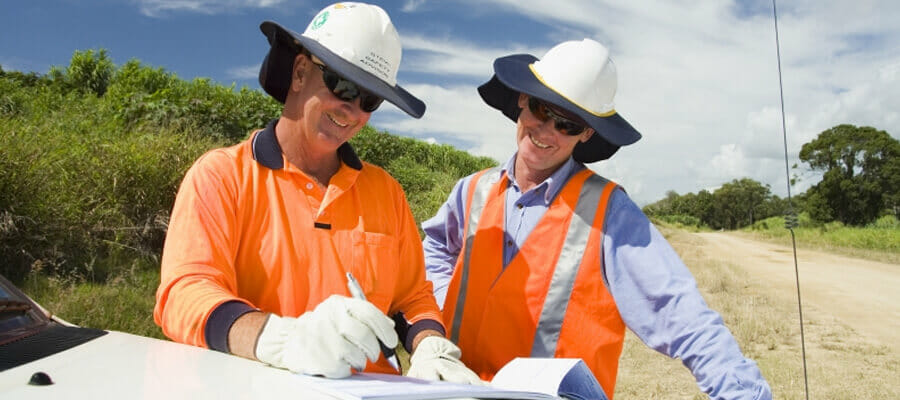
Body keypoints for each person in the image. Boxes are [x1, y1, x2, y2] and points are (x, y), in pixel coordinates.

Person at [422, 39, 773, 399]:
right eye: (542, 109)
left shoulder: (610, 213)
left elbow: (680, 312)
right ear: (522, 101)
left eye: (568, 124)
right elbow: (433, 249)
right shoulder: (471, 191)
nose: (547, 131)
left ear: (588, 132)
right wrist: (437, 318)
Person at [154, 2, 479, 383]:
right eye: (342, 85)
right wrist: (280, 339)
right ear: (299, 72)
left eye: (369, 99)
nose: (352, 109)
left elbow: (412, 298)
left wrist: (429, 343)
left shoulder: (386, 192)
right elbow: (184, 291)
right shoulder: (223, 176)